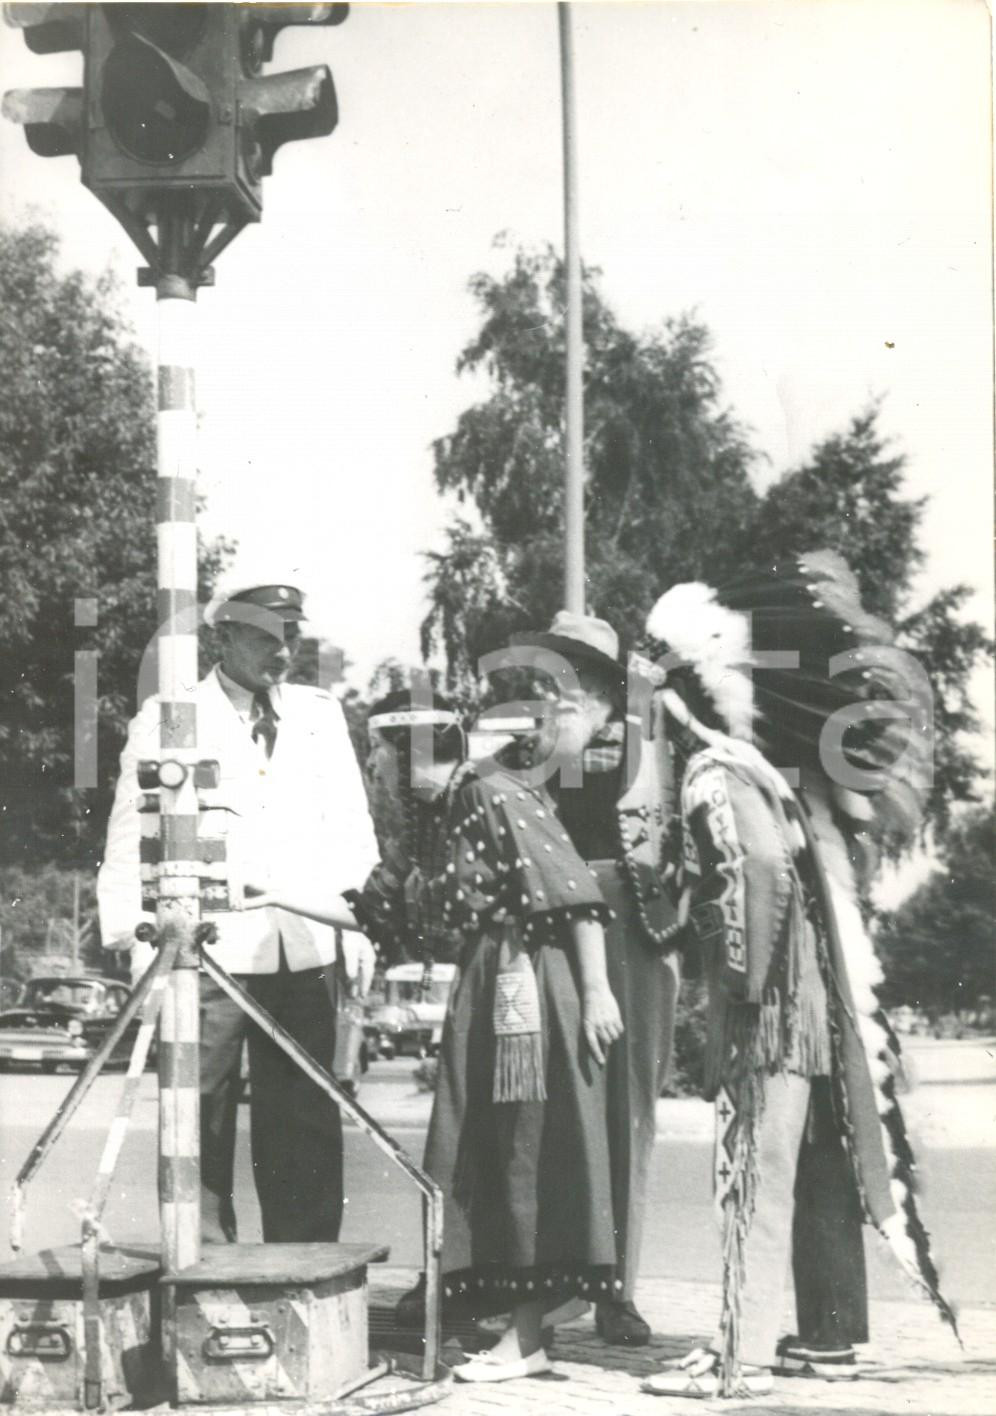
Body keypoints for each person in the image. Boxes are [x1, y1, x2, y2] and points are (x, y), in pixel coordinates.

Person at [638, 554, 956, 1399]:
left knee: (751, 1176)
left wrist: (738, 990)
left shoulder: (714, 777)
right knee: (782, 1170)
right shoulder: (770, 778)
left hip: (770, 1014)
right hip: (804, 1008)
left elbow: (760, 882)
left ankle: (737, 1357)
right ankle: (781, 1339)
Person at [98, 577, 379, 1244]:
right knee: (198, 1116)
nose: (282, 653)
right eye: (264, 637)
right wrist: (140, 950)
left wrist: (354, 924)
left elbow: (351, 829)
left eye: (292, 637)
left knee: (305, 1121)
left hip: (303, 947)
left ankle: (304, 1270)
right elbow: (129, 835)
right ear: (222, 637)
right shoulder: (171, 716)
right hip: (207, 953)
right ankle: (203, 1273)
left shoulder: (320, 715)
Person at [510, 611, 682, 1347]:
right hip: (552, 927)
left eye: (575, 666)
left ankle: (617, 1288)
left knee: (626, 1113)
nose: (559, 680)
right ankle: (547, 1278)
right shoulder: (535, 744)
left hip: (634, 933)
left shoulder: (650, 742)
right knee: (551, 1105)